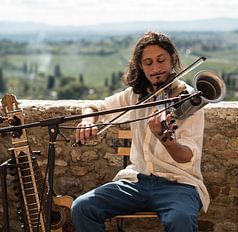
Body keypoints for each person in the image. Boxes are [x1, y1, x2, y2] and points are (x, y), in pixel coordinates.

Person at [71, 31, 210, 232]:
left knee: (180, 219)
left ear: (172, 59)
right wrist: (87, 121)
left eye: (161, 60)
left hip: (179, 184)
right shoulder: (136, 96)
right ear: (140, 66)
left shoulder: (190, 100)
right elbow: (96, 107)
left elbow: (187, 157)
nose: (156, 68)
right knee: (83, 207)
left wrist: (166, 139)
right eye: (148, 63)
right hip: (137, 181)